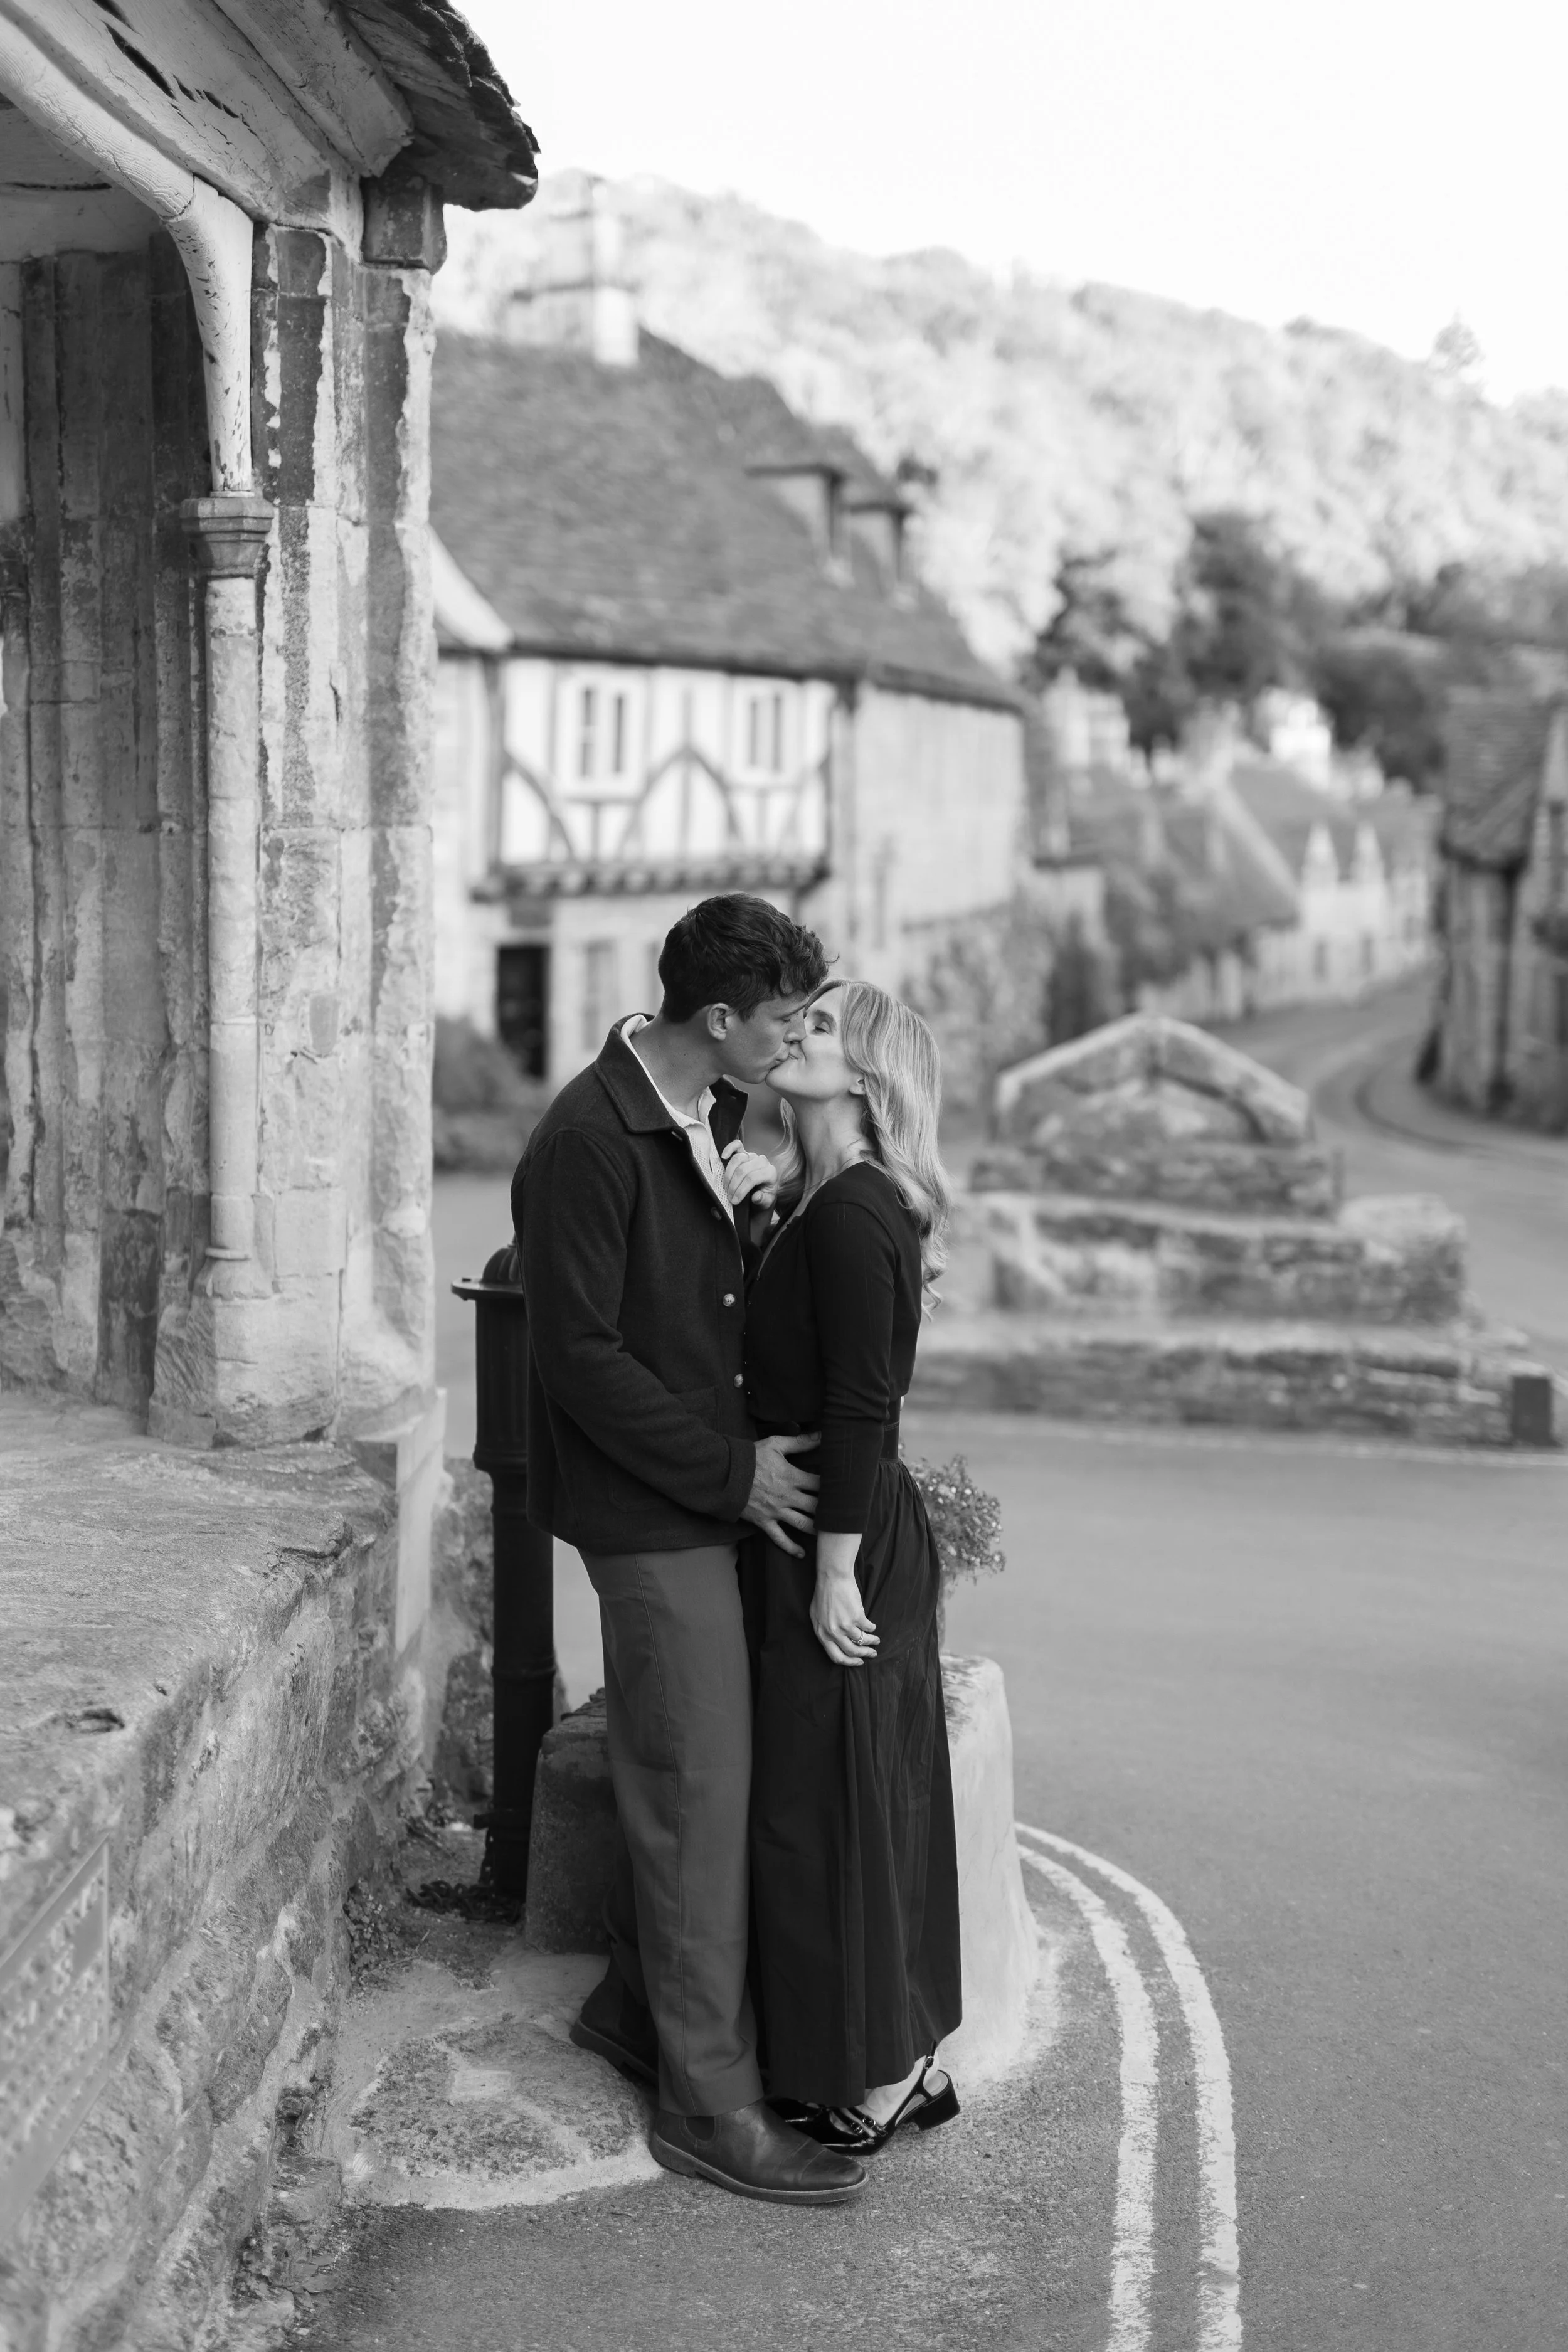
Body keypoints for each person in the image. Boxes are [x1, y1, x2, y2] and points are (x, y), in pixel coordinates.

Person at [512, 895, 867, 2207]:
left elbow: (692, 1311)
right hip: (649, 1512)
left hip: (700, 1502)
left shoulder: (707, 1114)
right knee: (696, 1794)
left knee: (702, 1774)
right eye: (783, 1019)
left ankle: (628, 2008)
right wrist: (736, 1474)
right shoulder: (586, 1142)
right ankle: (707, 2109)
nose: (797, 1038)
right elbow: (578, 1358)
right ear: (717, 1017)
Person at [739, 979, 963, 2151]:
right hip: (837, 1523)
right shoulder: (816, 1202)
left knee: (835, 1810)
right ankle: (896, 2055)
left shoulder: (853, 1212)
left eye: (821, 1027)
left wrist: (834, 1574)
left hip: (848, 1537)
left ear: (867, 1077)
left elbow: (863, 1404)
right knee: (838, 1802)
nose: (796, 1033)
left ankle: (881, 2074)